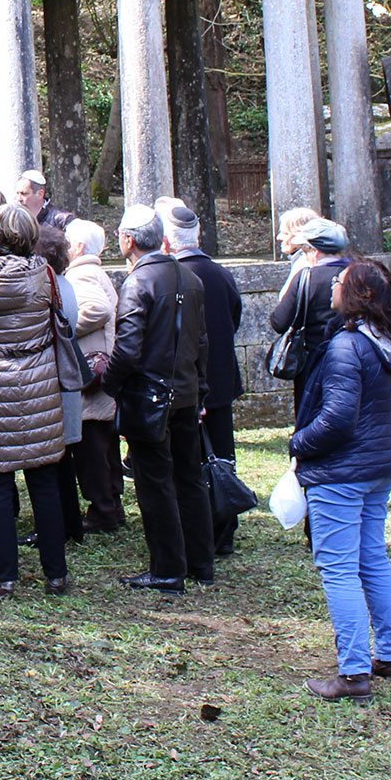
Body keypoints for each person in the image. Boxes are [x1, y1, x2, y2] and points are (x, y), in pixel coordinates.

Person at [289, 258, 391, 700]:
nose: (332, 285)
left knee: (339, 568)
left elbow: (338, 420)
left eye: (340, 281)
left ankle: (355, 672)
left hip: (341, 473)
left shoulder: (346, 347)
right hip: (378, 467)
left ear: (358, 295)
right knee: (372, 560)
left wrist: (298, 443)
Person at [0, 203, 69, 598]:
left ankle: (4, 576)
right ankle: (56, 573)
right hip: (37, 386)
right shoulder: (45, 275)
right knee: (44, 482)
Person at [105, 203, 211, 594]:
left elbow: (128, 350)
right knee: (189, 477)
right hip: (183, 392)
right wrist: (200, 389)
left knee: (155, 483)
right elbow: (203, 343)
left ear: (129, 240)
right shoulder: (189, 276)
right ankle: (200, 562)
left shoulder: (138, 283)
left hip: (149, 398)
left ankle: (168, 570)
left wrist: (109, 384)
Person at [161, 197, 246, 556]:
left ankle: (198, 531)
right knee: (222, 458)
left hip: (185, 386)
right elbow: (234, 318)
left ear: (166, 242)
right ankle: (224, 528)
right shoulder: (221, 273)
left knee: (190, 463)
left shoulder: (173, 278)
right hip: (220, 384)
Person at [63, 218, 123, 535]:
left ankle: (103, 510)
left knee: (91, 448)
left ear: (80, 247)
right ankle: (111, 503)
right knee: (104, 444)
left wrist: (66, 329)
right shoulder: (95, 271)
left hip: (92, 371)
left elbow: (97, 310)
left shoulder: (81, 274)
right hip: (103, 370)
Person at [35, 224, 86, 545]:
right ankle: (71, 525)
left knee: (50, 465)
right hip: (65, 384)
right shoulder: (66, 285)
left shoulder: (51, 289)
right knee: (63, 461)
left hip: (52, 383)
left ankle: (53, 529)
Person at [269, 218, 351, 412]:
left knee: (312, 420)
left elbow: (279, 322)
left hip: (313, 364)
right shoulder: (360, 274)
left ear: (315, 251)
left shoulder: (307, 278)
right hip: (353, 359)